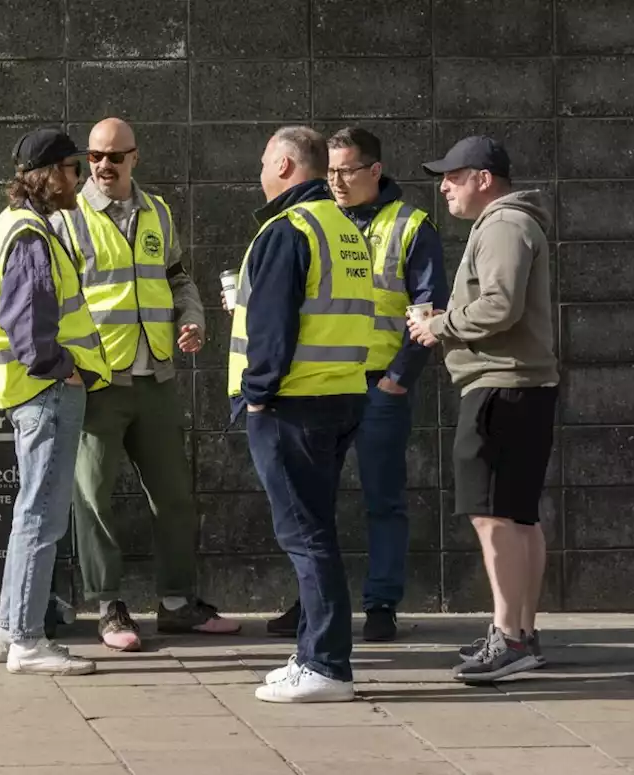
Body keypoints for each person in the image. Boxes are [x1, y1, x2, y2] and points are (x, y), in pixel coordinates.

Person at [51, 117, 240, 651]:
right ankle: (109, 607)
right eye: (94, 157)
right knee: (92, 497)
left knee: (175, 496)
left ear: (136, 157)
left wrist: (194, 319)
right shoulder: (67, 218)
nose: (103, 167)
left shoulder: (157, 211)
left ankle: (178, 603)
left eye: (114, 157)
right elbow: (57, 294)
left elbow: (177, 278)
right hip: (97, 379)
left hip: (154, 373)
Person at [267, 127, 448, 642]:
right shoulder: (317, 219)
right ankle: (312, 605)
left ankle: (381, 605)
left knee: (382, 498)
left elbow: (428, 308)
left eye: (346, 171)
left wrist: (398, 380)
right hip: (320, 382)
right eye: (330, 172)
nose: (336, 181)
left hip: (377, 385)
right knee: (309, 502)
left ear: (375, 170)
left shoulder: (410, 225)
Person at [229, 126, 375, 703]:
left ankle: (325, 664)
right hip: (340, 395)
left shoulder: (287, 229)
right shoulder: (345, 227)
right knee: (316, 529)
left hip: (292, 404)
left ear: (287, 165)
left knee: (306, 535)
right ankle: (315, 651)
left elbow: (273, 326)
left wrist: (258, 393)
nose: (260, 171)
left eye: (265, 161)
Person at [409, 136, 558, 681]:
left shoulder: (501, 226)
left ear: (484, 179)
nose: (443, 186)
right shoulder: (515, 224)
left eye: (453, 175)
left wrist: (438, 325)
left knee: (492, 513)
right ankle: (520, 633)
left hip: (499, 388)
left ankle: (511, 640)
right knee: (518, 514)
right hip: (523, 387)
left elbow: (500, 304)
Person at [0, 127, 113, 676]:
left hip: (32, 394)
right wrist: (68, 371)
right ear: (51, 174)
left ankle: (9, 630)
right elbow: (30, 328)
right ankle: (30, 640)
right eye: (73, 168)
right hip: (47, 392)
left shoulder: (13, 225)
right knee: (42, 515)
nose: (79, 178)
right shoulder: (32, 235)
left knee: (28, 513)